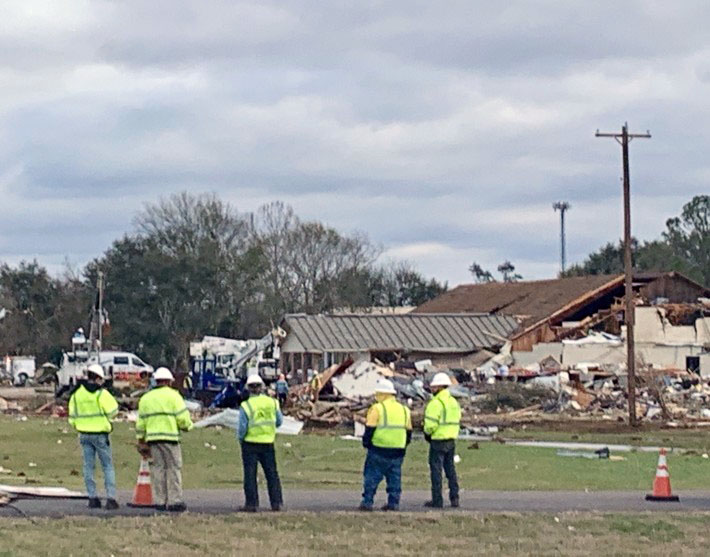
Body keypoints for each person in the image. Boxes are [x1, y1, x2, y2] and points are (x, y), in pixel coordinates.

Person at [136, 367, 193, 512]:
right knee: (173, 469)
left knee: (158, 470)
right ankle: (175, 501)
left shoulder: (146, 398)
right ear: (169, 381)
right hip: (171, 438)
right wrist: (188, 426)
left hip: (153, 439)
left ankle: (160, 501)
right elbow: (182, 419)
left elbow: (141, 422)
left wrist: (141, 439)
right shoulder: (174, 396)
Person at [68, 363, 119, 510]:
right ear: (98, 378)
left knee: (88, 467)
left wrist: (80, 424)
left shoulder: (77, 394)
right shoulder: (101, 394)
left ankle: (92, 498)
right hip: (100, 435)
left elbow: (71, 417)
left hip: (84, 434)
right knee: (107, 466)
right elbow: (113, 411)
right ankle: (111, 498)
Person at [359, 378, 412, 512]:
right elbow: (408, 432)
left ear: (381, 394)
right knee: (394, 478)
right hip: (398, 450)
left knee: (372, 476)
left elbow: (370, 428)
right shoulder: (405, 410)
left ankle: (368, 502)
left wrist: (366, 443)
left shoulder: (377, 408)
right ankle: (393, 503)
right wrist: (403, 445)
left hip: (379, 449)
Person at [238, 374, 284, 512]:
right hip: (268, 442)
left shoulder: (246, 406)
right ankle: (276, 503)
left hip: (250, 443)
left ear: (248, 388)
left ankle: (251, 504)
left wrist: (241, 439)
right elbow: (279, 421)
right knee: (272, 474)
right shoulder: (272, 402)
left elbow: (242, 428)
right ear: (262, 387)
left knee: (250, 475)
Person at [423, 372, 461, 508]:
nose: (432, 389)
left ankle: (437, 500)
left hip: (438, 440)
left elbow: (430, 425)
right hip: (451, 440)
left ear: (439, 387)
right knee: (451, 471)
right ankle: (454, 498)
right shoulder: (453, 402)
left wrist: (427, 433)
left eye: (434, 387)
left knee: (436, 471)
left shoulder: (435, 403)